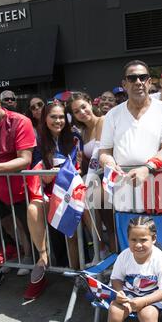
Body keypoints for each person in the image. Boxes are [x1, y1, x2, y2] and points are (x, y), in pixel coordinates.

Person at [99, 60, 162, 213]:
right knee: (126, 234)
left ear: (149, 81)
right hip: (123, 188)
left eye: (142, 77)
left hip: (156, 184)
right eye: (132, 78)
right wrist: (109, 163)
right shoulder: (112, 115)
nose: (138, 82)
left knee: (157, 234)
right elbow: (105, 151)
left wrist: (147, 168)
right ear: (124, 84)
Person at [25, 102, 80, 300]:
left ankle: (76, 272)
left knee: (71, 228)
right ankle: (43, 256)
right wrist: (46, 175)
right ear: (45, 119)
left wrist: (63, 173)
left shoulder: (74, 138)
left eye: (61, 117)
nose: (58, 121)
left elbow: (77, 167)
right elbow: (36, 171)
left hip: (70, 192)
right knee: (33, 208)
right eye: (53, 117)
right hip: (47, 193)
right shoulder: (38, 141)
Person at [0, 87, 36, 288]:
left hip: (20, 189)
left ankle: (31, 258)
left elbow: (25, 160)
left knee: (27, 227)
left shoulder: (20, 121)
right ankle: (13, 251)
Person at [66, 92, 116, 256]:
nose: (82, 112)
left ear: (89, 103)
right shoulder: (83, 131)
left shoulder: (103, 121)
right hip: (95, 181)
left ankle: (112, 255)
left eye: (83, 107)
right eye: (76, 111)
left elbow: (98, 154)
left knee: (111, 224)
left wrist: (86, 183)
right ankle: (101, 251)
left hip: (108, 180)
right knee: (99, 217)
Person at [25, 94, 46, 167]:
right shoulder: (29, 128)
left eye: (40, 104)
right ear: (31, 113)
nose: (37, 108)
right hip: (38, 169)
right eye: (33, 107)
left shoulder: (55, 122)